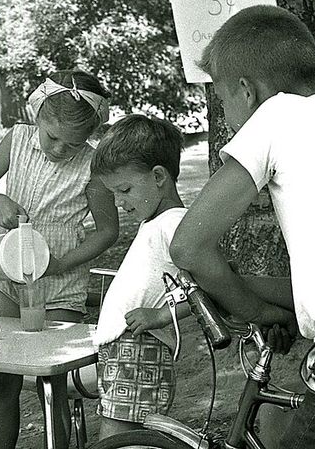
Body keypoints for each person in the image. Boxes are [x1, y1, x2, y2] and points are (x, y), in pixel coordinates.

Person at [169, 4, 315, 449]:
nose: (225, 116)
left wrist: (252, 312)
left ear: (246, 91)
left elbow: (189, 247)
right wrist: (247, 286)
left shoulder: (274, 117)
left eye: (221, 101)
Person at [0, 69, 119, 449]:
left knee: (51, 384)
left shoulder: (91, 165)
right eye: (53, 137)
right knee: (3, 379)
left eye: (71, 145)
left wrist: (63, 263)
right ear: (38, 115)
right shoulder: (17, 139)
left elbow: (107, 230)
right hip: (11, 277)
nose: (59, 150)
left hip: (61, 286)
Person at [90, 114, 191, 440]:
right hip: (125, 348)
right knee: (125, 439)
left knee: (118, 439)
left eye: (125, 189)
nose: (119, 203)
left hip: (140, 347)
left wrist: (161, 315)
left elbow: (200, 286)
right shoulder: (157, 221)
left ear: (159, 176)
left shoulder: (175, 223)